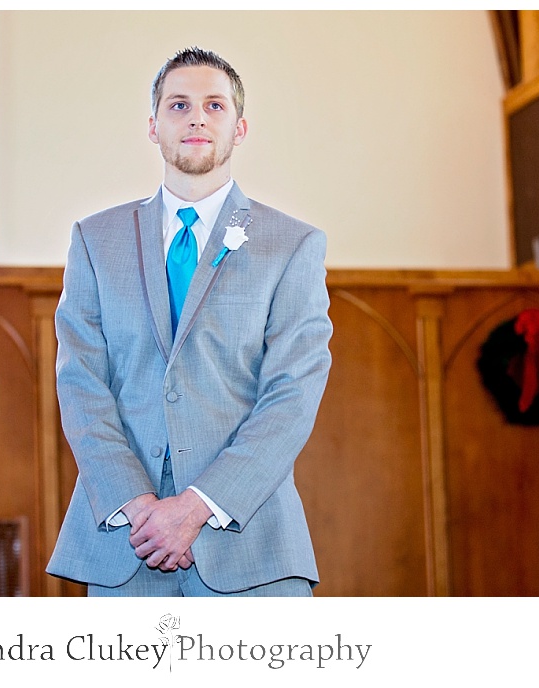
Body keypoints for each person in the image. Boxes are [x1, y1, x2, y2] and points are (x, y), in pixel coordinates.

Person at [47, 47, 333, 596]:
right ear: (153, 127)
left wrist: (199, 505)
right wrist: (138, 504)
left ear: (240, 127)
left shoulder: (292, 244)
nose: (197, 117)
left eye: (214, 105)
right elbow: (80, 382)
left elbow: (292, 394)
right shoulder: (95, 239)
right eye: (179, 105)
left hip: (249, 546)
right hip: (127, 542)